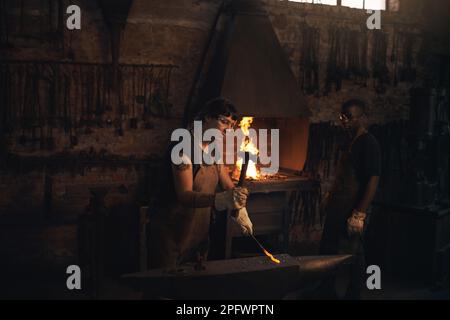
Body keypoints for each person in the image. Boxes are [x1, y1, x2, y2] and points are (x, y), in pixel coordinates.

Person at [149, 97, 253, 269]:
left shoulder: (212, 149)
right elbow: (184, 195)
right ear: (207, 117)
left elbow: (228, 185)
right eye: (223, 122)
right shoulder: (182, 148)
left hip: (197, 233)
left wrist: (240, 208)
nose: (227, 129)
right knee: (165, 289)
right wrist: (221, 199)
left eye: (231, 126)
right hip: (171, 231)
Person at [319, 98, 381, 299]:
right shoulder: (349, 139)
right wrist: (331, 196)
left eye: (349, 117)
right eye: (342, 116)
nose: (344, 121)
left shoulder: (368, 143)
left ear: (361, 118)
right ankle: (326, 290)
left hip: (351, 210)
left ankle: (355, 294)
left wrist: (359, 214)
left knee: (354, 254)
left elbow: (372, 180)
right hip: (338, 207)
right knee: (328, 250)